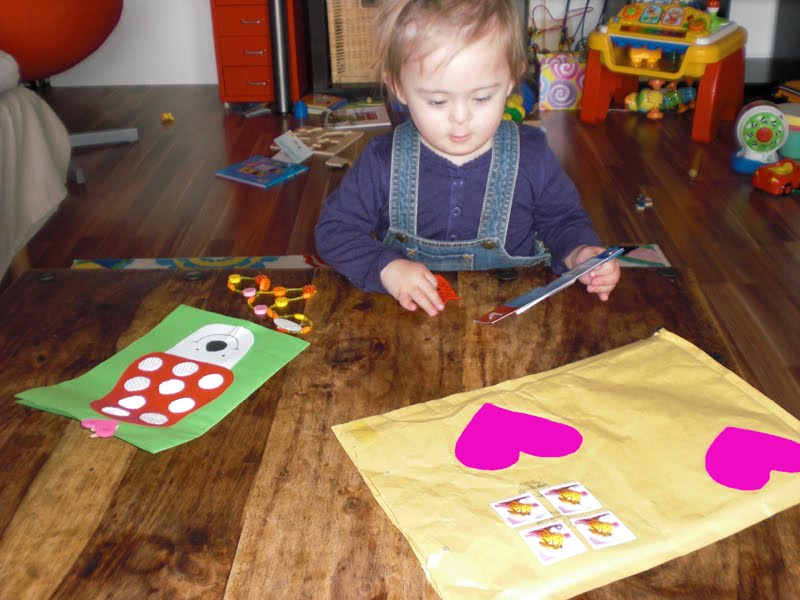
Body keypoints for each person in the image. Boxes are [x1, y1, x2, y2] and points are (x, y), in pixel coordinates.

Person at [315, 0, 620, 317]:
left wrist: (580, 253)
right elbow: (334, 232)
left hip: (514, 323)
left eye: (482, 97)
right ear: (398, 87)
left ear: (512, 79)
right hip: (409, 320)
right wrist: (386, 268)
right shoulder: (382, 161)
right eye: (437, 101)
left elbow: (563, 220)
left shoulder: (532, 156)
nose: (461, 117)